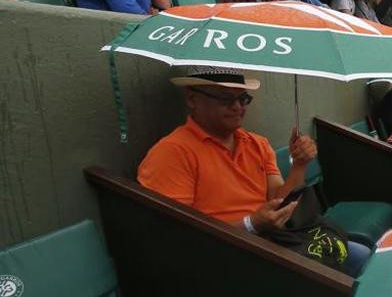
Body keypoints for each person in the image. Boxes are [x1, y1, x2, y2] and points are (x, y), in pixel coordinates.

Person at [137, 67, 370, 275]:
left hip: (275, 241)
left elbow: (278, 202)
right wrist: (251, 224)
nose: (237, 107)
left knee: (363, 256)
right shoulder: (172, 153)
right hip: (232, 260)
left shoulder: (257, 143)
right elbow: (177, 240)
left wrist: (300, 164)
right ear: (192, 99)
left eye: (243, 98)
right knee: (356, 263)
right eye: (225, 98)